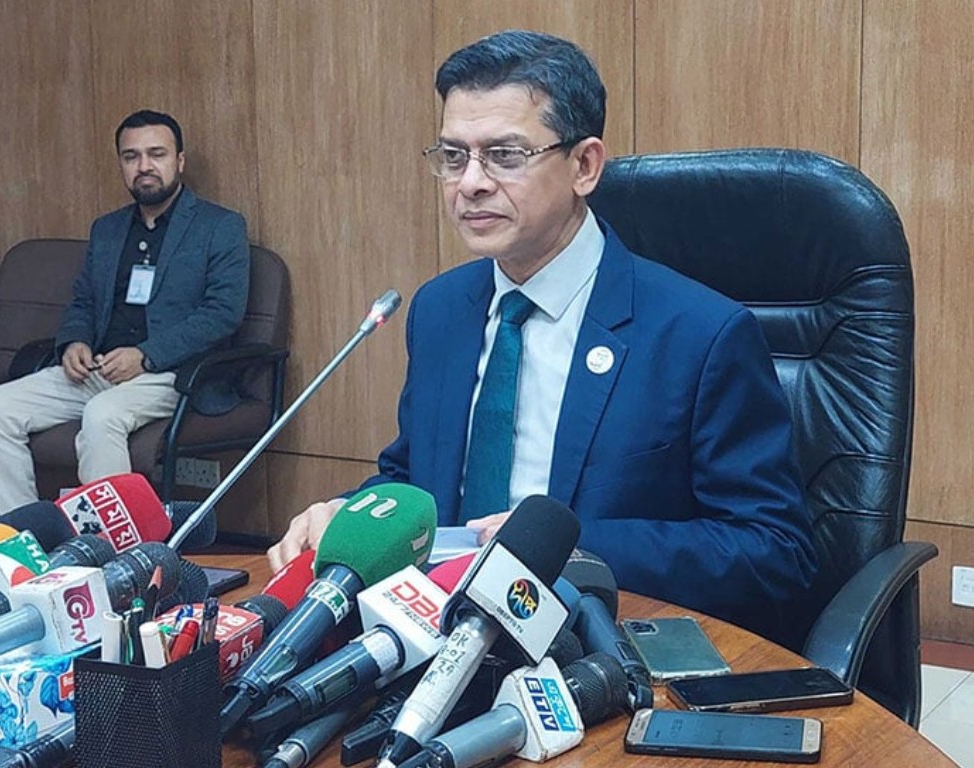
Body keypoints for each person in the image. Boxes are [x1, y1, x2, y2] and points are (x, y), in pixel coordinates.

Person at [269, 31, 817, 644]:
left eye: (504, 155)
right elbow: (414, 479)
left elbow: (774, 552)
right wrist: (352, 516)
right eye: (453, 156)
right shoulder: (441, 310)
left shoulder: (700, 334)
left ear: (584, 166)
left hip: (597, 645)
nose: (470, 183)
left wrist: (563, 545)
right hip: (434, 634)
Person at [0, 109, 250, 513]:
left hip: (172, 373)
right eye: (131, 156)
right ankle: (27, 528)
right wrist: (74, 342)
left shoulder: (219, 226)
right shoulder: (108, 228)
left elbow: (222, 313)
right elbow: (84, 300)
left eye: (156, 154)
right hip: (99, 370)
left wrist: (145, 355)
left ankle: (116, 544)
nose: (144, 166)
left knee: (102, 416)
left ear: (180, 161)